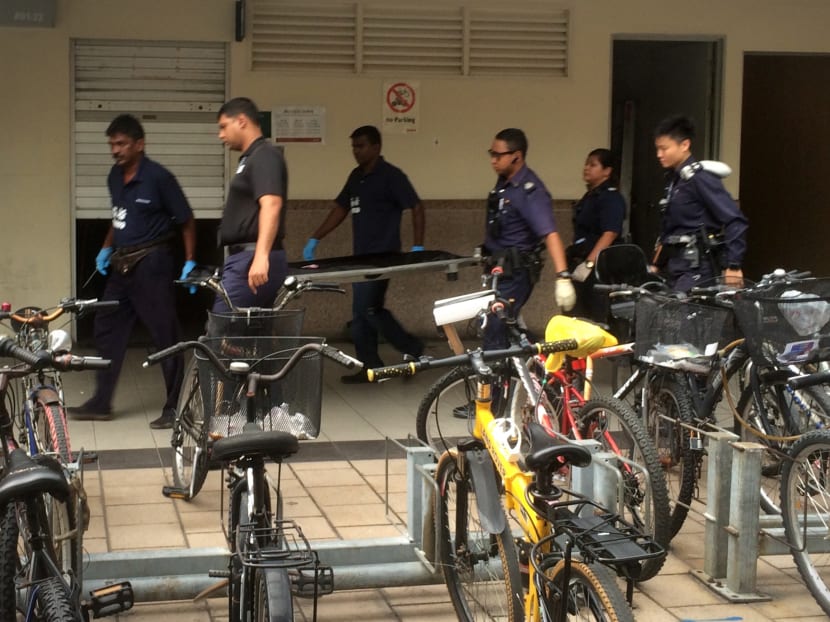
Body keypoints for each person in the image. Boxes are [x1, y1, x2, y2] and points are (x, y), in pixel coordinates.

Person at [69, 114, 196, 429]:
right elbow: (118, 217)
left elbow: (186, 219)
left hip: (153, 262)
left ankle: (176, 407)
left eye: (121, 143)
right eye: (112, 144)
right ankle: (101, 402)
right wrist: (105, 248)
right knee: (106, 326)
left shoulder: (159, 178)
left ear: (140, 144)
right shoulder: (114, 176)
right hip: (121, 264)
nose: (115, 149)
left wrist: (190, 260)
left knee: (164, 334)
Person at [303, 125, 425, 383]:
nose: (356, 151)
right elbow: (340, 208)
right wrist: (316, 237)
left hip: (384, 256)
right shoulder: (356, 177)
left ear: (376, 147)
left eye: (361, 146)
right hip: (360, 257)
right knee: (364, 312)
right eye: (353, 147)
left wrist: (418, 246)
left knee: (367, 309)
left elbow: (416, 207)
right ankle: (371, 366)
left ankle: (411, 349)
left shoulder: (391, 176)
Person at [482, 128, 575, 349]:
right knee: (501, 328)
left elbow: (550, 233)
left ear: (517, 155)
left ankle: (494, 383)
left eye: (498, 155)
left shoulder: (530, 191)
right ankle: (536, 367)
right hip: (498, 269)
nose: (493, 160)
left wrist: (563, 277)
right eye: (491, 154)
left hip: (515, 273)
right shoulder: (504, 184)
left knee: (496, 329)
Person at [650, 115, 748, 292]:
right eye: (657, 149)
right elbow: (669, 230)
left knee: (683, 315)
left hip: (698, 267)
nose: (659, 154)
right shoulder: (675, 181)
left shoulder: (700, 178)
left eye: (664, 148)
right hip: (676, 266)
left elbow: (735, 220)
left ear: (684, 145)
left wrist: (733, 265)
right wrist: (656, 265)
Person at [215, 97, 289, 313]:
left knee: (222, 331)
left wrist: (261, 256)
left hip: (252, 258)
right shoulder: (250, 158)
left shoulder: (265, 155)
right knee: (251, 335)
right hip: (244, 258)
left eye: (223, 127)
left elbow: (272, 203)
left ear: (241, 121)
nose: (221, 135)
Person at [566, 148, 626, 320]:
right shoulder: (590, 196)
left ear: (607, 171)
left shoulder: (611, 197)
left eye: (593, 165)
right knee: (576, 315)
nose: (587, 168)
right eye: (586, 164)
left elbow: (610, 233)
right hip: (579, 261)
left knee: (594, 316)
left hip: (597, 268)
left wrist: (589, 264)